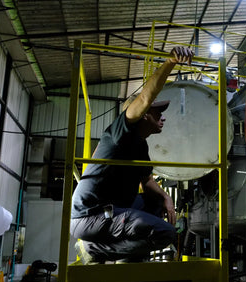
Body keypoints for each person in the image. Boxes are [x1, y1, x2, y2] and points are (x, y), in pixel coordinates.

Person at [70, 46, 194, 264]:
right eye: (158, 112)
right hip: (90, 216)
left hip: (110, 211)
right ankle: (97, 249)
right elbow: (145, 98)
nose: (162, 118)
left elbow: (147, 180)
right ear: (143, 115)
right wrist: (170, 62)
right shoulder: (120, 132)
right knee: (166, 233)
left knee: (154, 201)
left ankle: (130, 251)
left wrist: (166, 197)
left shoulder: (140, 146)